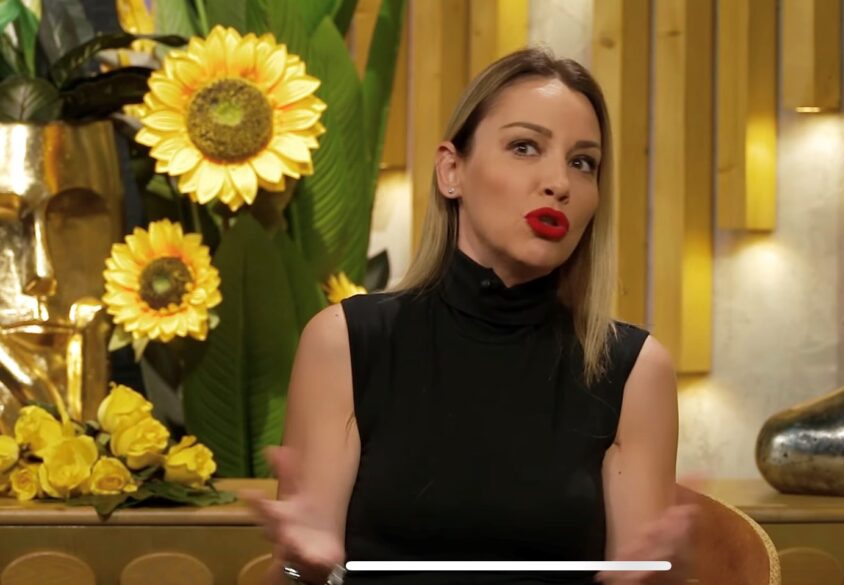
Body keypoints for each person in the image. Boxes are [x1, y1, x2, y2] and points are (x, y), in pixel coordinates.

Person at [246, 47, 692, 585]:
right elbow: (293, 574)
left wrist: (655, 577)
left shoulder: (633, 369)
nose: (559, 183)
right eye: (525, 147)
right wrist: (302, 568)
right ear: (451, 171)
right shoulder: (345, 343)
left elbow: (639, 572)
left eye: (583, 162)